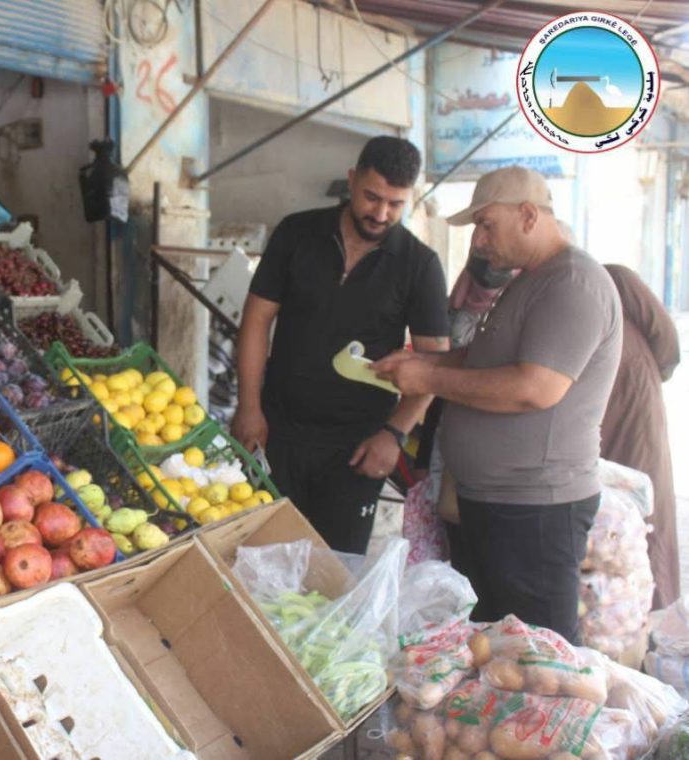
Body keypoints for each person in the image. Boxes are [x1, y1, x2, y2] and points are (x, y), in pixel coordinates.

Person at [373, 166, 623, 644]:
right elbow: (483, 358)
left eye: (487, 224)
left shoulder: (573, 283)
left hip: (537, 510)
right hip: (494, 503)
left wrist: (428, 376)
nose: (479, 241)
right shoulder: (529, 280)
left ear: (528, 215)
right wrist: (424, 359)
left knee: (539, 657)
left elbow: (536, 388)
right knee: (492, 648)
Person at [232, 136, 450, 554]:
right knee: (261, 558)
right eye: (372, 197)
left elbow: (432, 366)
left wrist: (394, 434)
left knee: (334, 573)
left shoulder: (419, 265)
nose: (381, 213)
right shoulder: (297, 233)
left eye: (395, 204)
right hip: (276, 433)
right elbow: (257, 320)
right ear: (351, 180)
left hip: (358, 448)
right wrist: (248, 406)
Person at [411, 252, 517, 568]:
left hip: (501, 466)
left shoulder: (519, 316)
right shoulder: (457, 309)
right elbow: (439, 389)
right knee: (454, 546)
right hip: (452, 450)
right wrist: (423, 455)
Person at [601, 264, 681, 608]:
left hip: (635, 407)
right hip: (602, 413)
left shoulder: (615, 279)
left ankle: (653, 606)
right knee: (608, 524)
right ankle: (617, 615)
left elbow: (668, 344)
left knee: (645, 511)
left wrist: (645, 375)